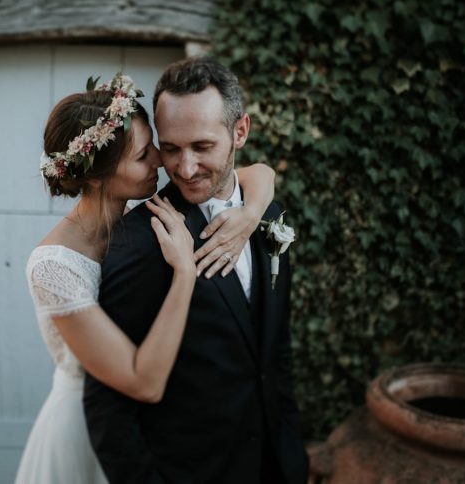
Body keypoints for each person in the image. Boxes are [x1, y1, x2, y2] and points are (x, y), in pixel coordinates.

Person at [14, 72, 277, 483]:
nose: (161, 160)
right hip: (86, 435)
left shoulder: (135, 225)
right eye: (144, 155)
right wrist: (185, 272)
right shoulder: (53, 266)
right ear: (98, 175)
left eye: (155, 145)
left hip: (159, 434)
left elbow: (256, 172)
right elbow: (144, 381)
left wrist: (250, 212)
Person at [83, 57, 309, 483]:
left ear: (240, 131)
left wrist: (291, 450)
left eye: (202, 147)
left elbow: (274, 349)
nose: (185, 169)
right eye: (170, 148)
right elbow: (107, 405)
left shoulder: (268, 214)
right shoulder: (139, 243)